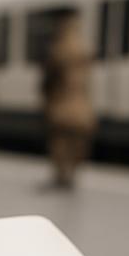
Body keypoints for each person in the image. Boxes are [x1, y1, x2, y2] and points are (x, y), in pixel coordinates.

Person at [41, 10, 95, 190]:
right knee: (77, 143)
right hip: (81, 104)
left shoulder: (59, 49)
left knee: (60, 142)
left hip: (62, 103)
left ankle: (61, 175)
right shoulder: (84, 48)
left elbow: (50, 78)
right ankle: (70, 174)